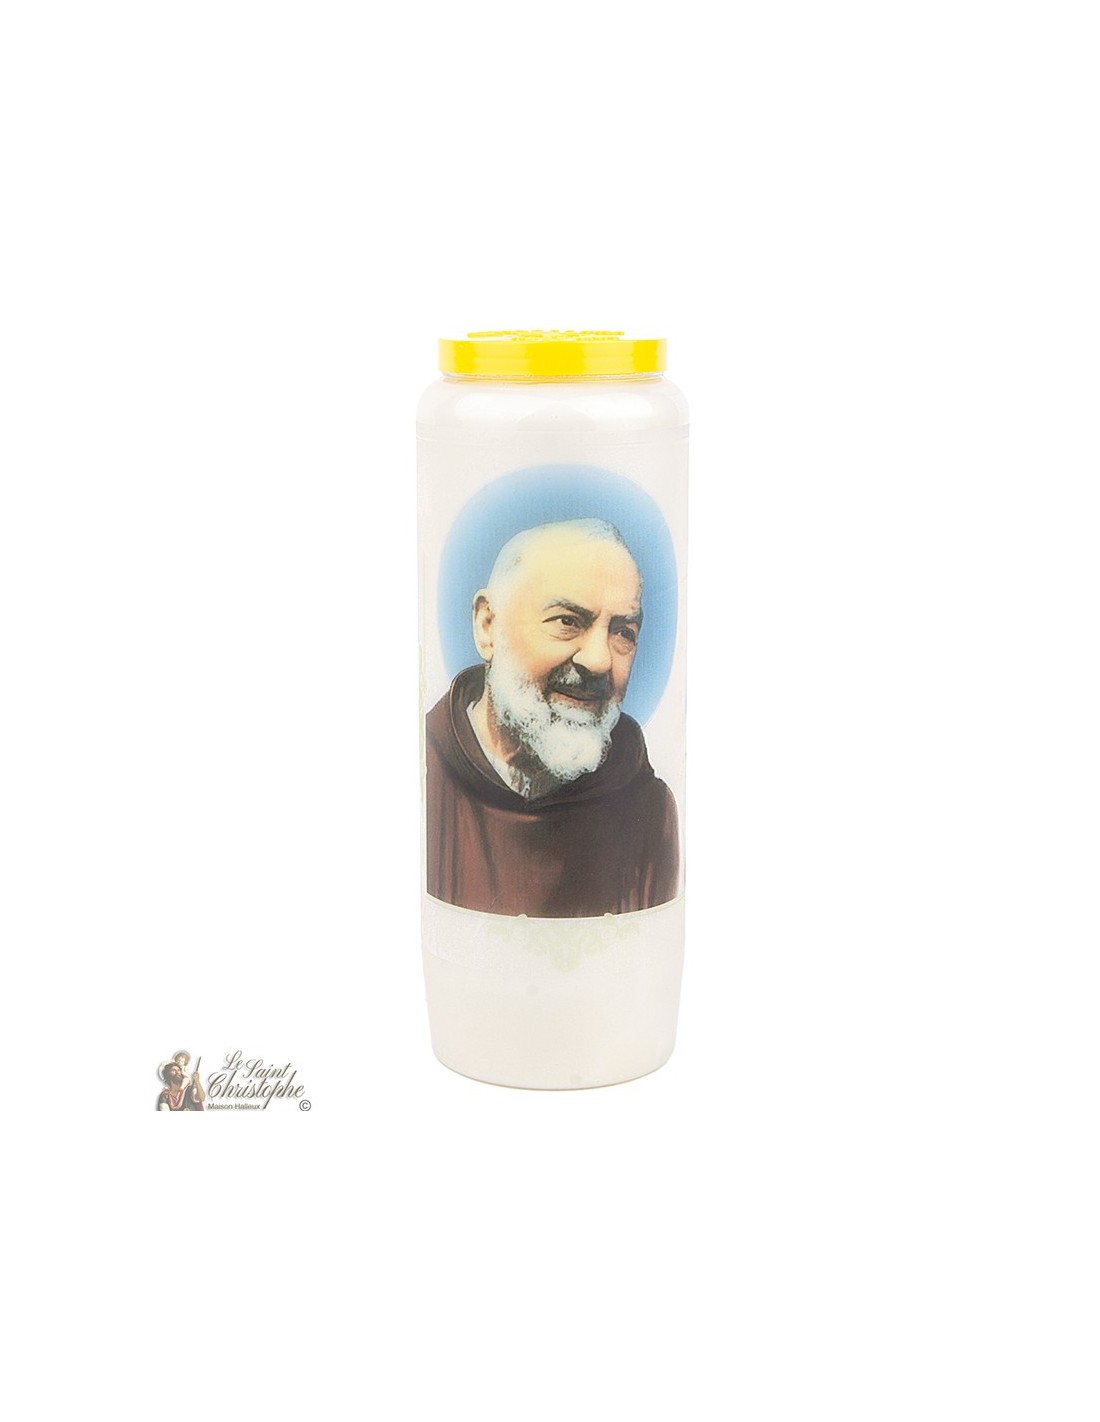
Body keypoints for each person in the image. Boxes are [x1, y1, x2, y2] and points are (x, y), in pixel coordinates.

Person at [425, 518, 679, 917]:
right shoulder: (424, 777)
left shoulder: (648, 811)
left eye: (622, 632)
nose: (599, 660)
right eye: (567, 621)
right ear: (488, 626)